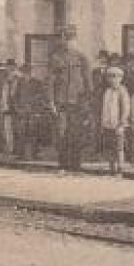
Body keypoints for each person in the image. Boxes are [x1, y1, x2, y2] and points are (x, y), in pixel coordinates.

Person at [48, 26, 92, 172]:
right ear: (63, 40)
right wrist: (51, 102)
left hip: (77, 102)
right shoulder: (56, 58)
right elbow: (50, 82)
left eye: (71, 39)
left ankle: (75, 164)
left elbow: (88, 82)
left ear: (76, 40)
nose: (69, 42)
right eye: (66, 39)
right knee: (61, 133)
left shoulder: (82, 57)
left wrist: (87, 102)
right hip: (61, 102)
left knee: (76, 133)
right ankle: (63, 165)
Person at [14, 63, 52, 161]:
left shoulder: (36, 82)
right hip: (22, 111)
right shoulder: (20, 83)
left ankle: (35, 154)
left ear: (30, 72)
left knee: (33, 133)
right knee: (21, 132)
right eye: (24, 72)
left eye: (27, 72)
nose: (25, 74)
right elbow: (16, 96)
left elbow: (41, 96)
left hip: (33, 111)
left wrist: (36, 107)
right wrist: (17, 108)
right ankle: (21, 154)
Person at [99, 67, 130, 176]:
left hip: (117, 124)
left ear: (120, 78)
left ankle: (120, 169)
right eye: (110, 77)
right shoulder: (107, 91)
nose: (112, 79)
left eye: (115, 77)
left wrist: (121, 124)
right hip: (108, 124)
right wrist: (103, 124)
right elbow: (104, 109)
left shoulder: (122, 91)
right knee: (109, 148)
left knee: (119, 148)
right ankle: (112, 169)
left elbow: (125, 109)